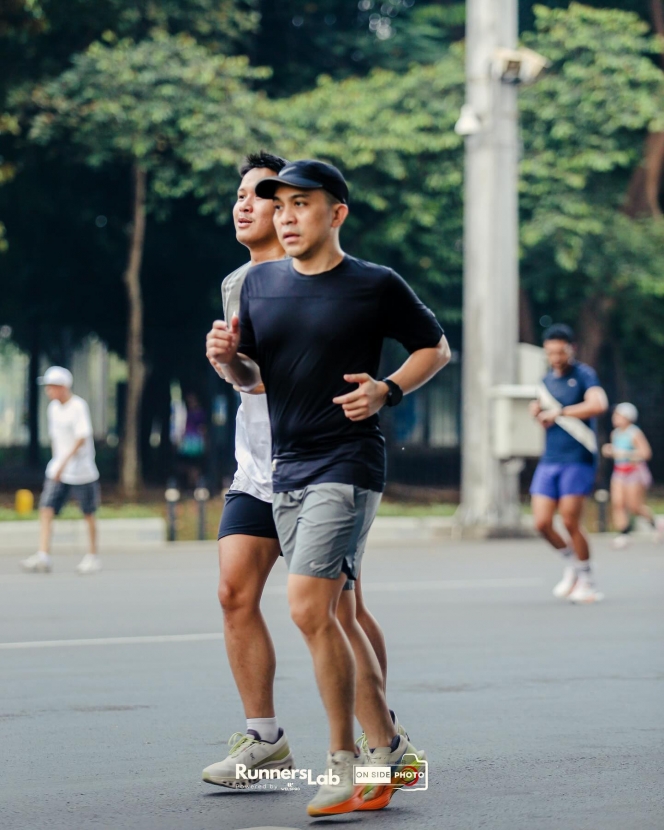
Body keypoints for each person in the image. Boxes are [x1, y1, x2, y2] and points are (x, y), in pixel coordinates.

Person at [207, 159, 450, 817]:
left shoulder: (374, 284)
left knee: (312, 607)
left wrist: (387, 389)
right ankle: (389, 751)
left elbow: (435, 347)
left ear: (335, 213)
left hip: (348, 464)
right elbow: (256, 377)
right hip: (281, 468)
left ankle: (343, 763)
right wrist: (229, 360)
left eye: (297, 204)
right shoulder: (255, 285)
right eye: (274, 204)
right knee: (309, 609)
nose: (282, 215)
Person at [529, 324, 608, 603]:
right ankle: (573, 564)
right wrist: (537, 411)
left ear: (570, 349)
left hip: (578, 458)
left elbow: (598, 404)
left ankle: (587, 578)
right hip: (550, 459)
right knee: (541, 523)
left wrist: (560, 412)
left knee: (570, 520)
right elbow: (543, 414)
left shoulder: (584, 374)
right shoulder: (546, 381)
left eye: (560, 352)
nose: (556, 358)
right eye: (551, 353)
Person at [20, 366, 101, 575]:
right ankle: (43, 555)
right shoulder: (53, 409)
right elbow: (57, 441)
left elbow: (81, 438)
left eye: (51, 387)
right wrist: (57, 464)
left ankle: (92, 556)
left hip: (82, 470)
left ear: (62, 387)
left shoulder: (78, 406)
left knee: (88, 513)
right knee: (46, 509)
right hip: (58, 471)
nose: (48, 391)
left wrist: (64, 463)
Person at [602, 402, 661, 548]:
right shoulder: (615, 433)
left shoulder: (634, 433)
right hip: (619, 471)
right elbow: (615, 452)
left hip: (633, 472)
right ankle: (623, 534)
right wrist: (609, 451)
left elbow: (646, 454)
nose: (615, 417)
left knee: (635, 506)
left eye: (618, 415)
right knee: (618, 503)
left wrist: (625, 454)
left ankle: (657, 524)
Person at [176, 392, 207, 488]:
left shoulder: (199, 413)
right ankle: (190, 485)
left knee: (195, 465)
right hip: (187, 442)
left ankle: (195, 485)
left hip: (196, 442)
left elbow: (203, 428)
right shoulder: (185, 413)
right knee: (187, 465)